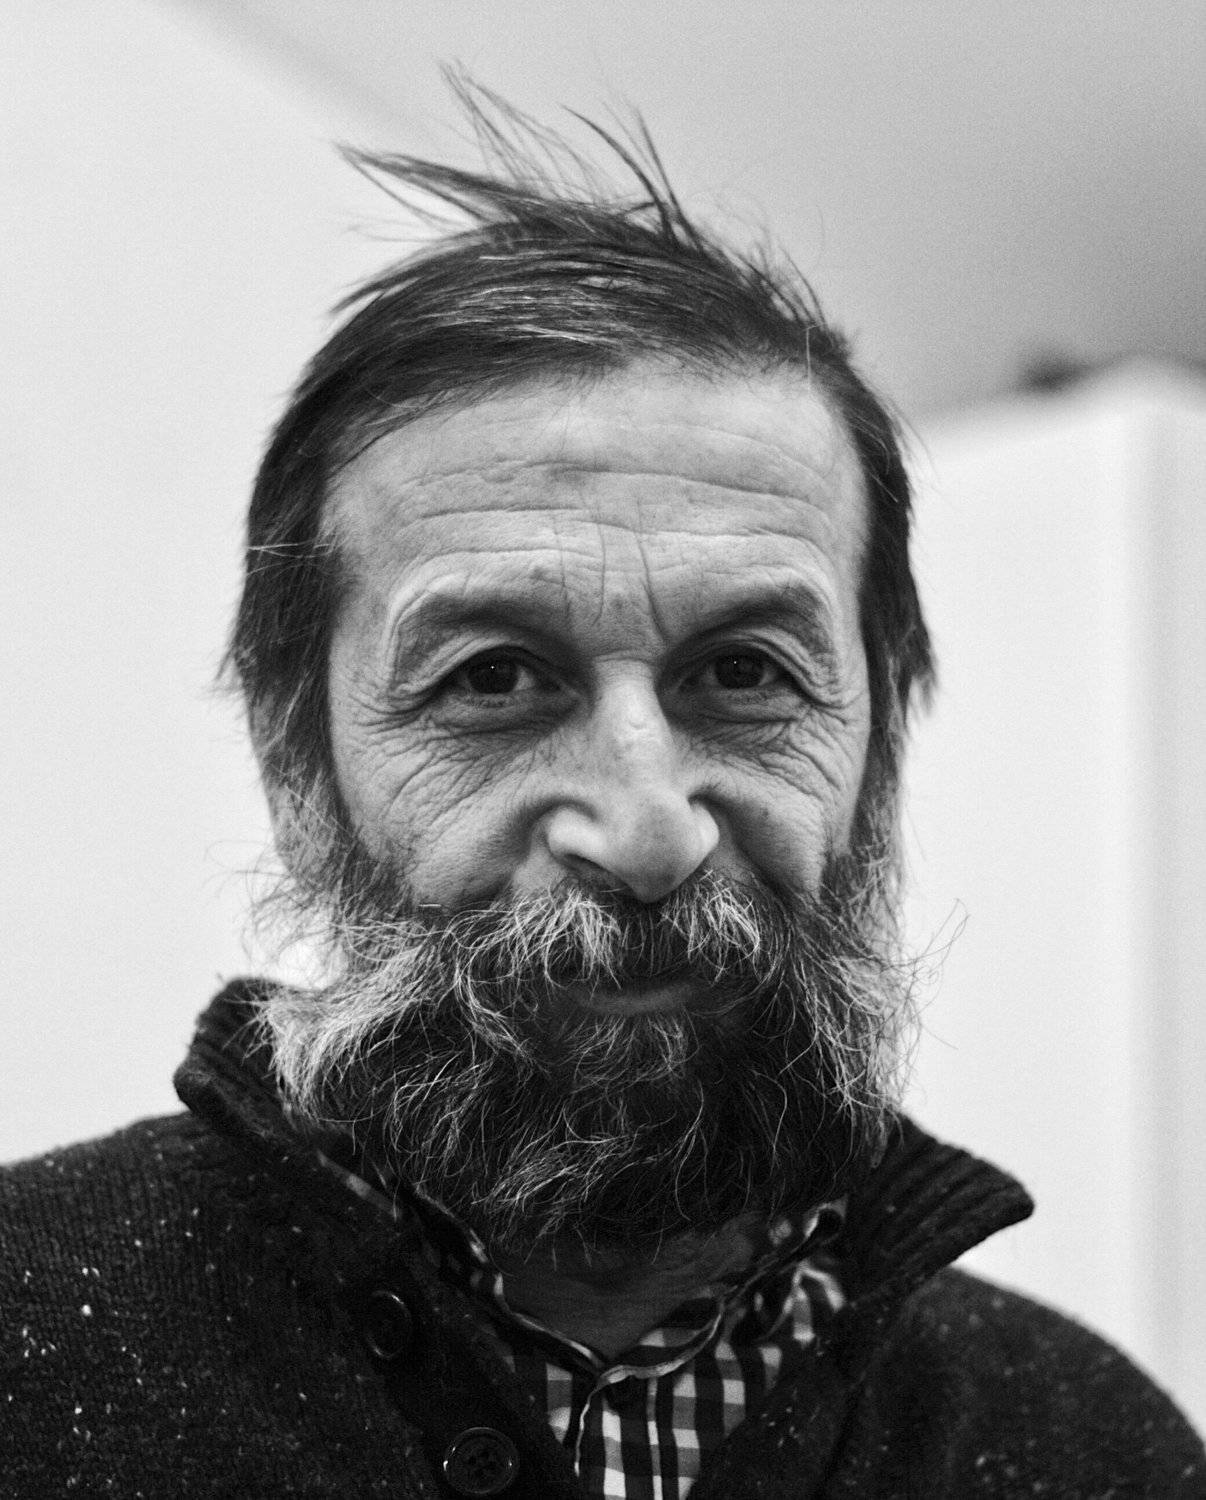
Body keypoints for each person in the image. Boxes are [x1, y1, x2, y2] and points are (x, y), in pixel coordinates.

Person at [3, 94, 1203, 1500]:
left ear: (876, 759)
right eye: (493, 677)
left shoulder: (1094, 1447)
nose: (643, 831)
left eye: (744, 673)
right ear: (296, 761)